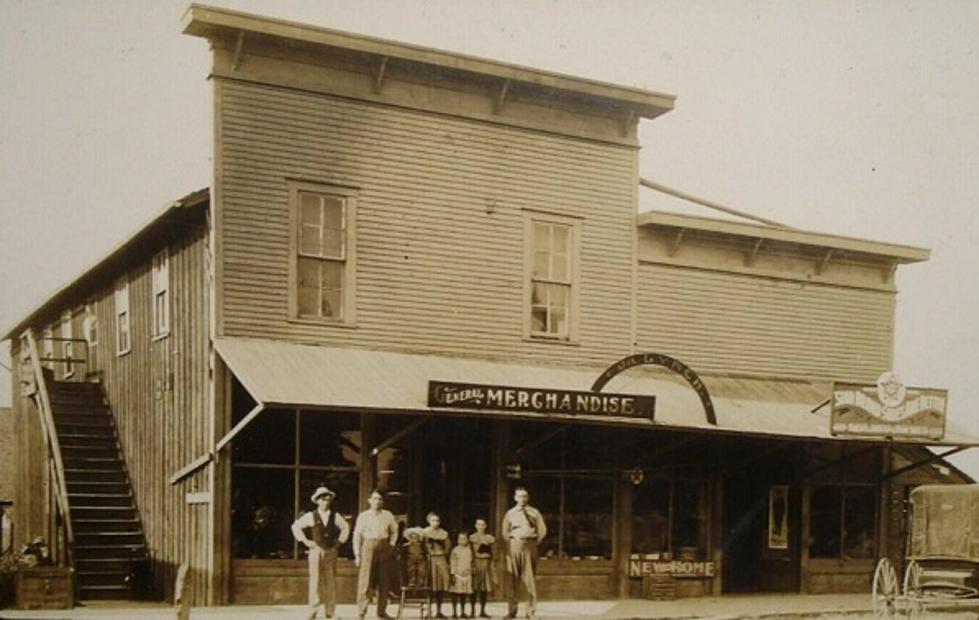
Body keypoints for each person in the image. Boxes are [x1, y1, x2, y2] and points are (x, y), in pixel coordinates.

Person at [291, 486, 351, 620]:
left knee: (330, 582)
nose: (326, 501)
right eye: (323, 499)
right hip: (316, 550)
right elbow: (296, 526)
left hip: (330, 551)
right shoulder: (311, 516)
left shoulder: (335, 516)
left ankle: (330, 611)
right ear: (317, 500)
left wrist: (338, 543)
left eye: (328, 499)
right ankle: (313, 610)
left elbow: (345, 528)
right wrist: (306, 541)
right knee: (315, 581)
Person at [501, 487, 547, 619]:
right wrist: (515, 540)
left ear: (528, 497)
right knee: (512, 580)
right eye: (520, 496)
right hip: (514, 546)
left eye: (525, 496)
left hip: (529, 546)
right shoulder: (510, 513)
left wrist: (532, 543)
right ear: (515, 498)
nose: (523, 499)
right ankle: (512, 610)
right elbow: (504, 532)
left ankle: (530, 612)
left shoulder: (534, 512)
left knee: (530, 580)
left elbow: (542, 530)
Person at [353, 490, 400, 619]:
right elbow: (357, 535)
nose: (377, 501)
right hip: (368, 545)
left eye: (379, 499)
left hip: (384, 546)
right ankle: (361, 611)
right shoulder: (364, 516)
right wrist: (357, 555)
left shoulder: (388, 515)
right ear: (369, 500)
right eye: (374, 499)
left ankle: (381, 611)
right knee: (365, 580)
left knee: (383, 580)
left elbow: (395, 530)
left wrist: (391, 544)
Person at [423, 512, 451, 618]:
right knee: (430, 584)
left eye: (437, 520)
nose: (435, 523)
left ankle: (439, 610)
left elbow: (448, 547)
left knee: (441, 584)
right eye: (433, 520)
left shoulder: (443, 533)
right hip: (429, 559)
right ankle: (428, 611)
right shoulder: (424, 532)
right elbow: (421, 547)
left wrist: (443, 551)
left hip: (440, 558)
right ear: (429, 521)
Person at [468, 518, 495, 618]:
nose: (481, 527)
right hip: (476, 563)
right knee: (474, 588)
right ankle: (472, 611)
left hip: (486, 564)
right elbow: (470, 552)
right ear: (475, 526)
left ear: (485, 526)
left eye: (483, 525)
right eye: (479, 525)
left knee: (484, 588)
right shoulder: (471, 538)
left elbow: (493, 552)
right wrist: (471, 564)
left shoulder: (489, 538)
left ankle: (482, 610)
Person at [449, 532, 474, 618]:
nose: (462, 541)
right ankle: (454, 612)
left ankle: (463, 612)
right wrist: (453, 574)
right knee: (456, 594)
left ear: (467, 540)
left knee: (464, 594)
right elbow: (453, 562)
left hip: (467, 574)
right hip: (457, 574)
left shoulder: (469, 550)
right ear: (457, 540)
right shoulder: (455, 550)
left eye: (464, 539)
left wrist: (471, 571)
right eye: (460, 539)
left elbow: (471, 562)